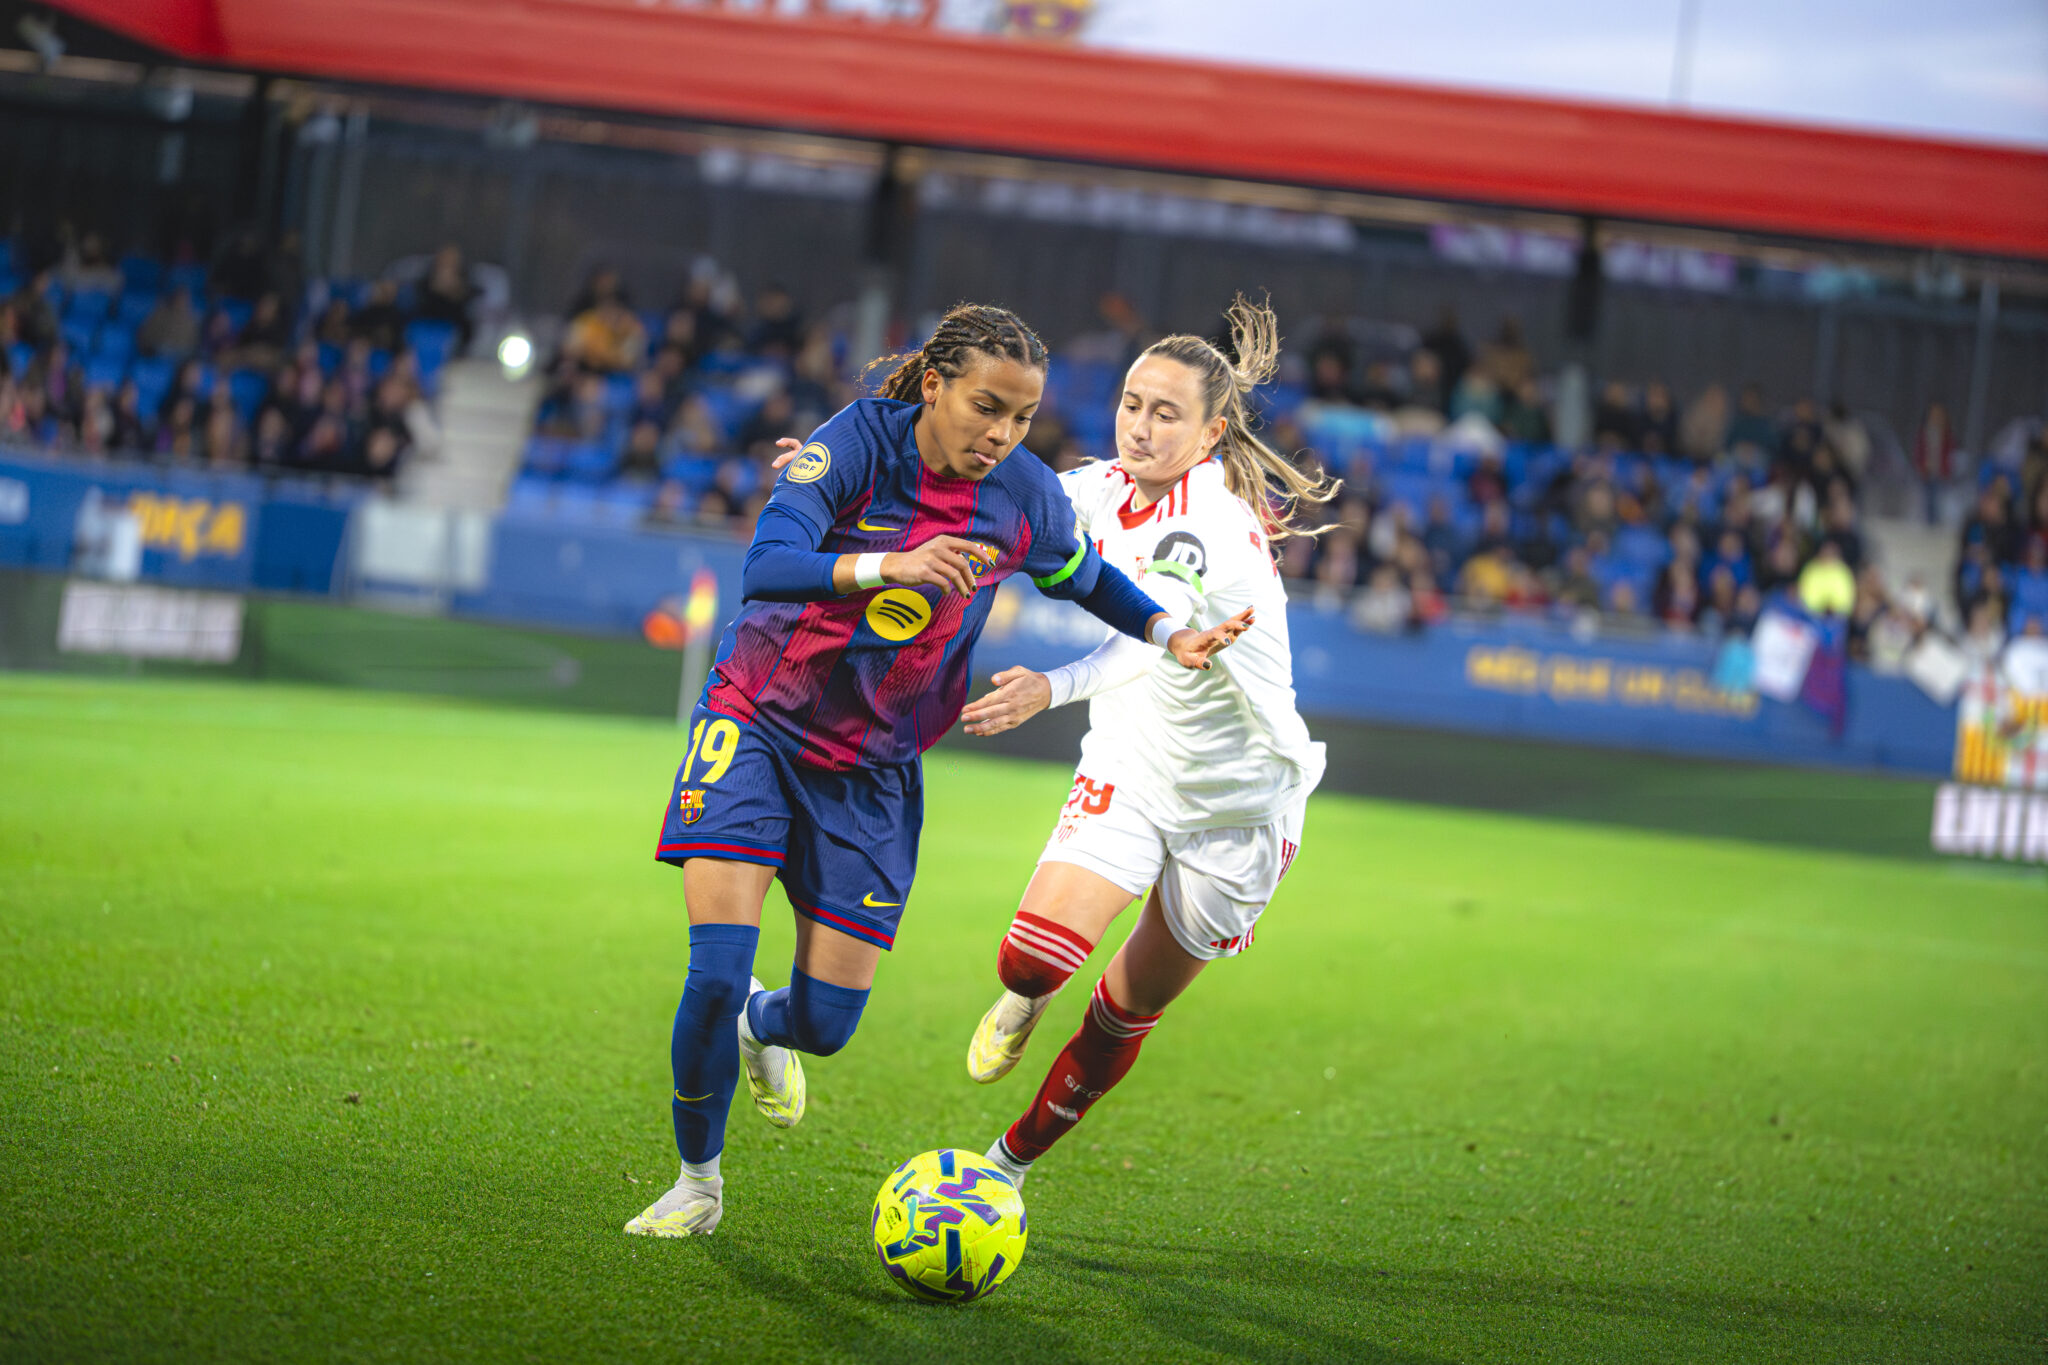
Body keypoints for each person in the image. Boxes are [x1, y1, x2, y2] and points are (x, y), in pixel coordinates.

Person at [624, 304, 1251, 1240]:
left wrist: (1169, 630)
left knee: (827, 1021)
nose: (1000, 433)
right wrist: (888, 565)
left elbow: (1083, 575)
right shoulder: (854, 446)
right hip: (757, 717)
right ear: (934, 386)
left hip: (875, 770)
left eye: (1022, 417)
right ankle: (698, 1181)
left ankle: (764, 1028)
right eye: (985, 407)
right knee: (714, 966)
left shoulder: (1025, 494)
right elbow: (767, 564)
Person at [944, 296, 1335, 1189]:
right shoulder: (1091, 488)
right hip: (1132, 764)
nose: (1142, 427)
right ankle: (1027, 994)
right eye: (1131, 404)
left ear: (1210, 433)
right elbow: (978, 485)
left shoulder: (1217, 525)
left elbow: (1138, 637)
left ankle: (1004, 1168)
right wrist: (842, 470)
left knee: (1123, 1011)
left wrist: (1053, 686)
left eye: (1167, 413)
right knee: (1030, 959)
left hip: (1240, 807)